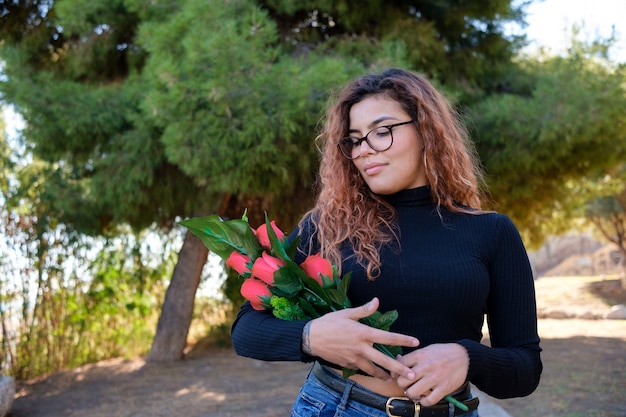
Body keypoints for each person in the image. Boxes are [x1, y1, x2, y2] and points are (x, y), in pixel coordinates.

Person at [231, 68, 542, 417]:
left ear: (426, 130)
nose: (364, 150)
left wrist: (468, 357)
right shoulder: (327, 226)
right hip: (337, 408)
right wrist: (310, 337)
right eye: (355, 139)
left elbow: (525, 368)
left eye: (381, 132)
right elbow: (246, 330)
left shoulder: (493, 232)